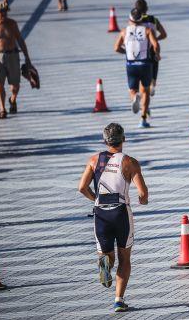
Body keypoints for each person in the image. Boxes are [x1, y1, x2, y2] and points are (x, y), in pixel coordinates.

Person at [78, 123, 148, 313]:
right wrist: (143, 200)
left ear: (105, 140)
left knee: (107, 254)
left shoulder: (94, 160)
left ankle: (105, 265)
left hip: (101, 214)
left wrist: (96, 199)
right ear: (123, 139)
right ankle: (118, 300)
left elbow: (82, 187)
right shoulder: (130, 162)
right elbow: (142, 193)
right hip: (121, 213)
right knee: (125, 258)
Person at [0, 2, 34, 119]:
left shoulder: (12, 24)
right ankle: (2, 109)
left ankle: (12, 99)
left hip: (12, 55)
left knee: (14, 85)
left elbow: (20, 40)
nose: (4, 13)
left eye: (5, 11)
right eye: (1, 11)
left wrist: (27, 58)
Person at [113, 8, 160, 128]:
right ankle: (143, 119)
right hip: (145, 64)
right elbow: (155, 45)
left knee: (133, 90)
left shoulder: (124, 31)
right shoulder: (148, 30)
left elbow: (116, 47)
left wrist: (126, 52)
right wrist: (157, 54)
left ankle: (135, 97)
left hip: (131, 65)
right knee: (146, 91)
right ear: (141, 19)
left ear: (130, 19)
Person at [134, 0, 167, 97]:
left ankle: (140, 93)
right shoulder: (154, 19)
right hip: (153, 49)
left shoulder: (134, 20)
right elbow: (164, 34)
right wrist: (154, 39)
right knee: (154, 69)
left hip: (139, 50)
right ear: (147, 8)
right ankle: (153, 85)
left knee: (141, 73)